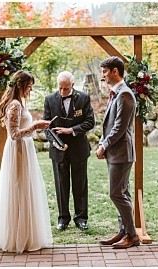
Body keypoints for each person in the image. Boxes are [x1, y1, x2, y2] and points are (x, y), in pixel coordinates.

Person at [0, 70, 54, 253]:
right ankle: (17, 237)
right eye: (29, 86)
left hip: (24, 149)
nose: (30, 90)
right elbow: (14, 134)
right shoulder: (15, 105)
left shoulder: (19, 103)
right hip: (18, 151)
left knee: (26, 189)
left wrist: (36, 126)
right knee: (19, 189)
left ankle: (27, 235)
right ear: (20, 85)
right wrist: (35, 126)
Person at [96, 56, 140, 249]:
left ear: (115, 71)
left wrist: (104, 145)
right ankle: (124, 231)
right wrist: (102, 142)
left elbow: (120, 127)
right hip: (115, 153)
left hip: (122, 153)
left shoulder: (125, 95)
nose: (103, 76)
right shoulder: (116, 93)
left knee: (116, 194)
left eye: (105, 72)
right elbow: (109, 124)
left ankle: (132, 235)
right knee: (123, 193)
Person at [44, 71, 95, 231]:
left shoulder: (83, 98)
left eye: (66, 88)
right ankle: (63, 218)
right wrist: (54, 142)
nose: (62, 91)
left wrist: (71, 130)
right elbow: (46, 127)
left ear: (72, 85)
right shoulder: (49, 99)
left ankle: (81, 218)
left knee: (80, 185)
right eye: (60, 88)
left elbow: (90, 122)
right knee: (61, 185)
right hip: (58, 150)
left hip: (79, 149)